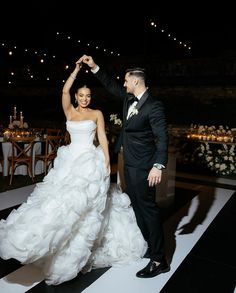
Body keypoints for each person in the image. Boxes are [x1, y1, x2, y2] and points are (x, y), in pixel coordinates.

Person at [0, 60, 147, 286]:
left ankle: (79, 251)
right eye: (82, 95)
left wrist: (107, 159)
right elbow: (64, 90)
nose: (85, 98)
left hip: (89, 161)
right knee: (62, 206)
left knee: (87, 207)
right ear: (76, 96)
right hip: (69, 162)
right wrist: (76, 71)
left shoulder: (97, 113)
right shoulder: (69, 111)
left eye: (88, 95)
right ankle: (55, 246)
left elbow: (103, 138)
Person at [79, 55, 170, 278]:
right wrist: (94, 67)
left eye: (127, 81)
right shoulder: (129, 99)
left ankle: (160, 260)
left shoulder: (154, 106)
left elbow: (162, 138)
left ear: (137, 82)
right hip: (129, 162)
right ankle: (150, 246)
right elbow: (110, 85)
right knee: (137, 206)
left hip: (145, 166)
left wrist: (158, 166)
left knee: (148, 209)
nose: (124, 84)